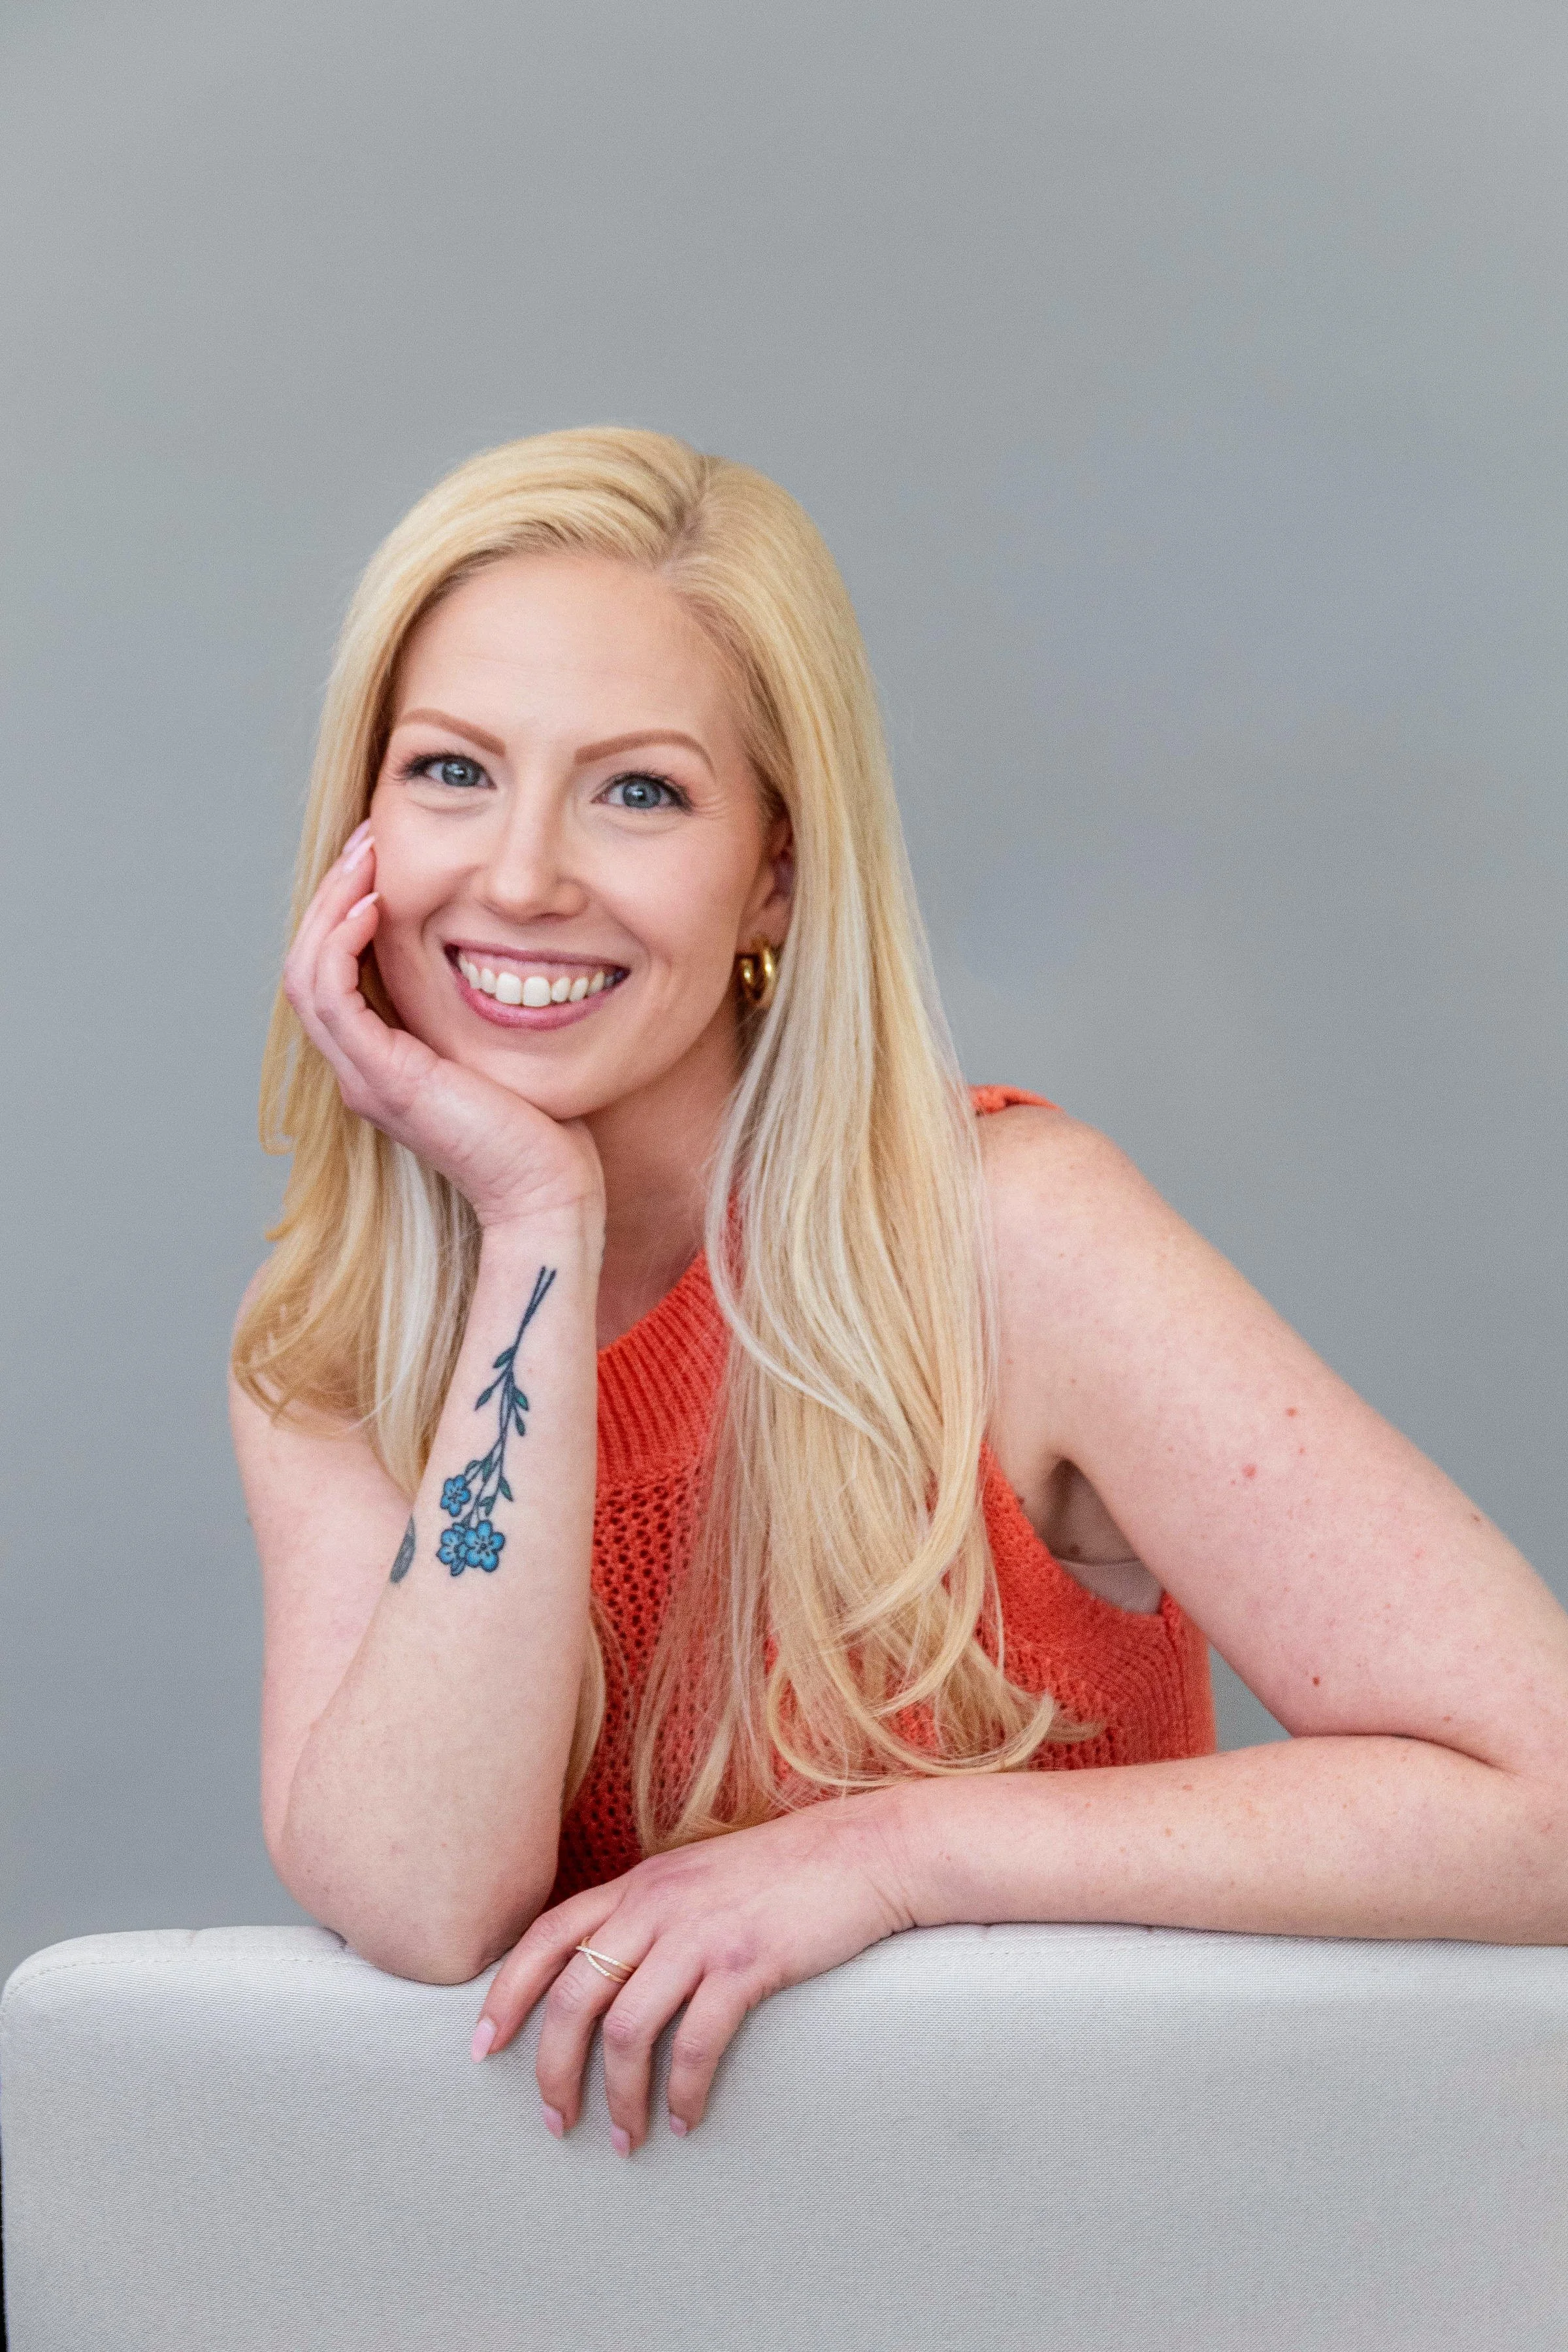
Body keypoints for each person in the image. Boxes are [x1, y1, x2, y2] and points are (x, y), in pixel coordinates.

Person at [229, 426, 1568, 2159]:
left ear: (775, 870)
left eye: (639, 790)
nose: (522, 875)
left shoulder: (1012, 1243)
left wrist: (890, 1860)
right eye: (451, 773)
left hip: (1095, 2265)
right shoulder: (336, 1354)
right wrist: (534, 1230)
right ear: (360, 828)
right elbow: (422, 1900)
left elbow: (1543, 1799)